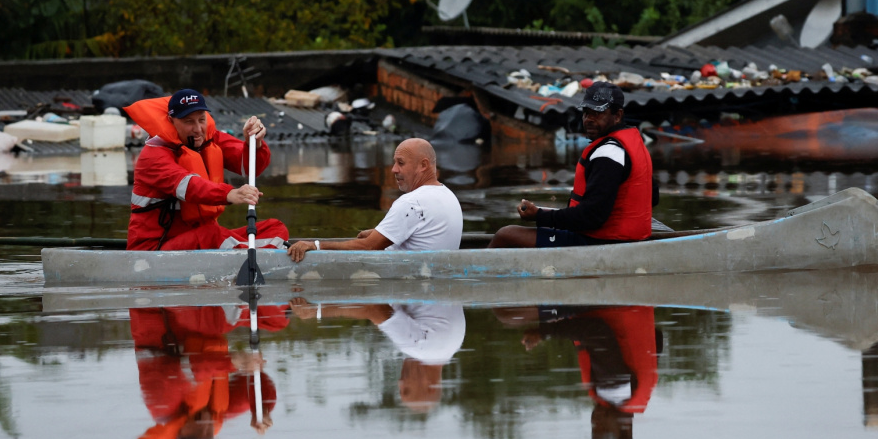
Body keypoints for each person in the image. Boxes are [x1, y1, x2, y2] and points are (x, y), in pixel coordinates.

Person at [488, 81, 655, 248]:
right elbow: (653, 198)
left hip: (602, 243)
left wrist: (539, 216)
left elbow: (591, 217)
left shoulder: (608, 154)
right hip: (620, 239)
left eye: (597, 113)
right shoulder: (632, 147)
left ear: (617, 115)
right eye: (586, 112)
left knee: (506, 235)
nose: (589, 119)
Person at [124, 89, 288, 251]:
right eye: (189, 122)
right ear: (171, 121)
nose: (198, 129)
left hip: (197, 238)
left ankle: (258, 253)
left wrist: (255, 144)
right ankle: (257, 255)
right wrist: (230, 194)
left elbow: (251, 167)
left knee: (275, 227)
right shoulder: (152, 156)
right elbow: (189, 186)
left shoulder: (208, 139)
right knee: (211, 233)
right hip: (153, 250)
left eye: (201, 120)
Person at [493, 304, 660, 439]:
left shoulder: (635, 393)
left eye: (594, 431)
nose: (595, 423)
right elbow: (595, 330)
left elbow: (656, 337)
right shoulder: (614, 389)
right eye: (604, 429)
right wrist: (544, 332)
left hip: (629, 306)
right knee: (509, 315)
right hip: (609, 303)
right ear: (626, 428)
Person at [130, 305, 291, 439]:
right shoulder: (217, 414)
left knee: (217, 321)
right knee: (276, 320)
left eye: (196, 434)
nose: (205, 429)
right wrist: (261, 409)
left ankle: (232, 295)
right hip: (195, 320)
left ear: (180, 433)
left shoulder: (161, 407)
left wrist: (230, 362)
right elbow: (257, 380)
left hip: (158, 306)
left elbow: (183, 371)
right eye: (208, 436)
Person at [287, 137, 462, 261]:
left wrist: (316, 246)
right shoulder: (448, 195)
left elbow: (368, 247)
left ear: (423, 165)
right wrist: (381, 232)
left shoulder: (410, 203)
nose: (394, 169)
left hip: (406, 288)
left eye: (401, 163)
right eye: (395, 162)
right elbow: (424, 232)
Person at [289, 299, 466, 411]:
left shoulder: (452, 346)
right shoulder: (418, 348)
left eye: (401, 390)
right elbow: (372, 308)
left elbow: (388, 308)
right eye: (407, 390)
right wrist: (317, 310)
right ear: (430, 387)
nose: (400, 383)